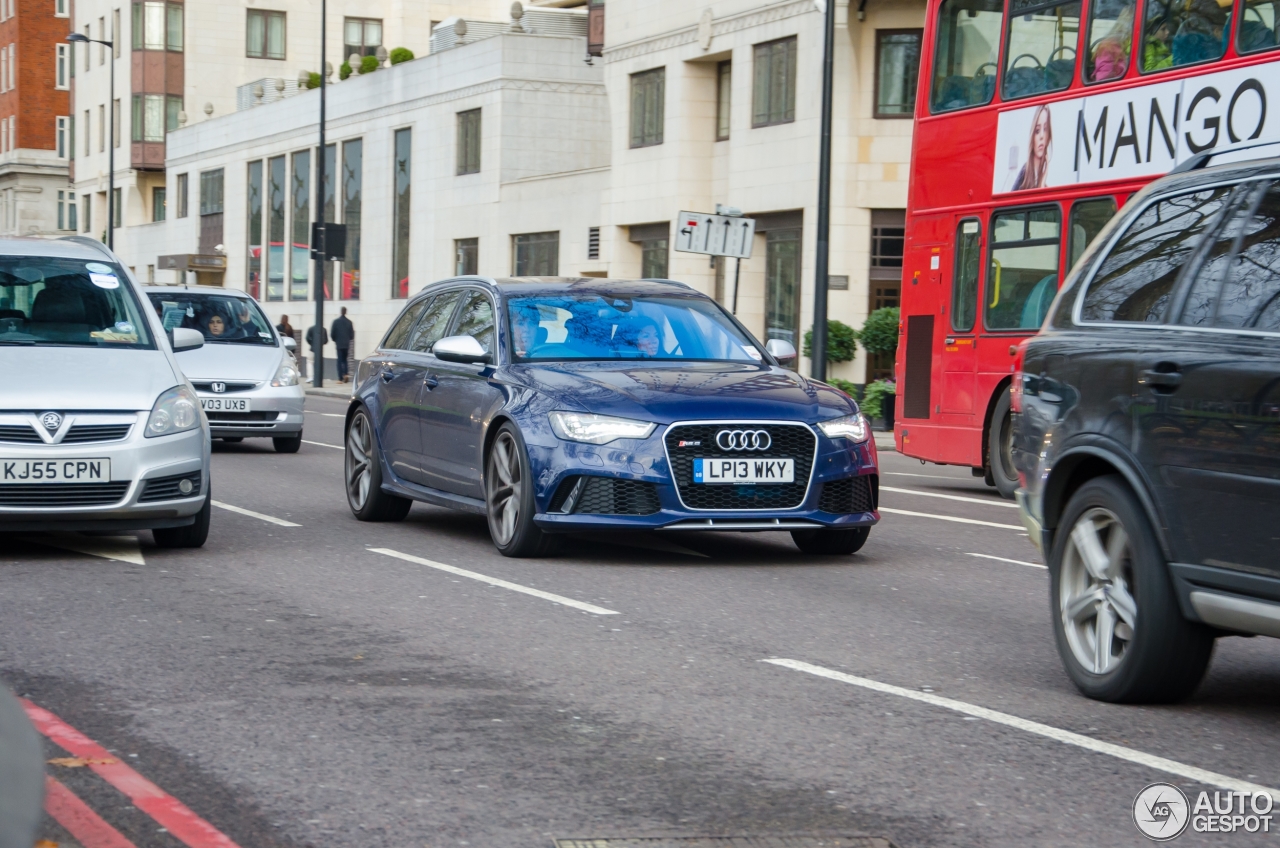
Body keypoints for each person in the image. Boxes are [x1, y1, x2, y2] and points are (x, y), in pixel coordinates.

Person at [1011, 105, 1053, 192]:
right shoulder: (1025, 173)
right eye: (1037, 131)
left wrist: (1042, 182)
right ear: (1032, 136)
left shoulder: (1045, 185)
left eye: (1045, 129)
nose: (1042, 136)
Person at [331, 306, 354, 383]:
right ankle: (346, 373)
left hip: (339, 343)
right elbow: (352, 335)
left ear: (341, 312)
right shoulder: (349, 322)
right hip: (346, 344)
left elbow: (332, 334)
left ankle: (340, 378)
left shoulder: (336, 322)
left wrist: (335, 340)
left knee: (339, 361)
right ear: (346, 312)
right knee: (345, 360)